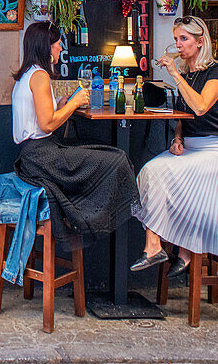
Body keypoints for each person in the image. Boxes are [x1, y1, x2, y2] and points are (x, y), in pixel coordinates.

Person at [130, 15, 218, 281]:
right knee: (150, 170)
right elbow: (184, 117)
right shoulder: (188, 74)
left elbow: (201, 106)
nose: (178, 45)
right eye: (176, 40)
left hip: (216, 153)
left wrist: (174, 75)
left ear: (200, 41)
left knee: (161, 174)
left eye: (184, 39)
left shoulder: (216, 72)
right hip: (192, 149)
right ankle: (157, 245)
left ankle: (176, 249)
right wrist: (177, 140)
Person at [10, 21, 139, 246]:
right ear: (46, 47)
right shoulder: (40, 76)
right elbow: (48, 124)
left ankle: (92, 219)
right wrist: (74, 103)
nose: (61, 47)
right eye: (58, 44)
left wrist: (61, 104)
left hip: (34, 157)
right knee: (117, 159)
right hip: (43, 158)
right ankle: (94, 222)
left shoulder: (28, 75)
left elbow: (41, 118)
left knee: (101, 150)